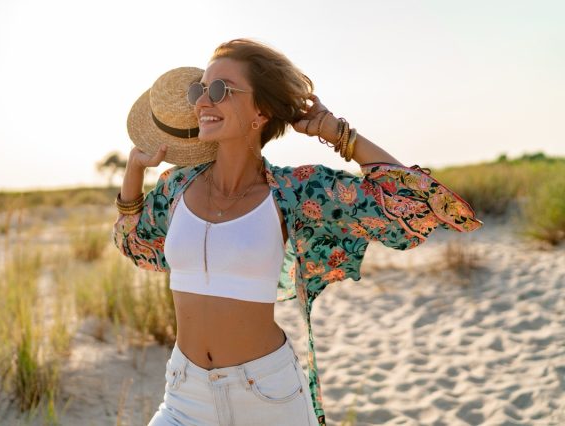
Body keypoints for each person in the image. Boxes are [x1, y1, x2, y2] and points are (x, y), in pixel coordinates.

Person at [112, 39, 483, 426]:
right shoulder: (175, 186)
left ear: (262, 110)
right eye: (199, 90)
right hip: (184, 395)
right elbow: (135, 246)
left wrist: (338, 134)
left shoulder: (295, 191)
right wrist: (134, 173)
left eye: (220, 90)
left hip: (267, 396)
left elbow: (416, 203)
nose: (203, 101)